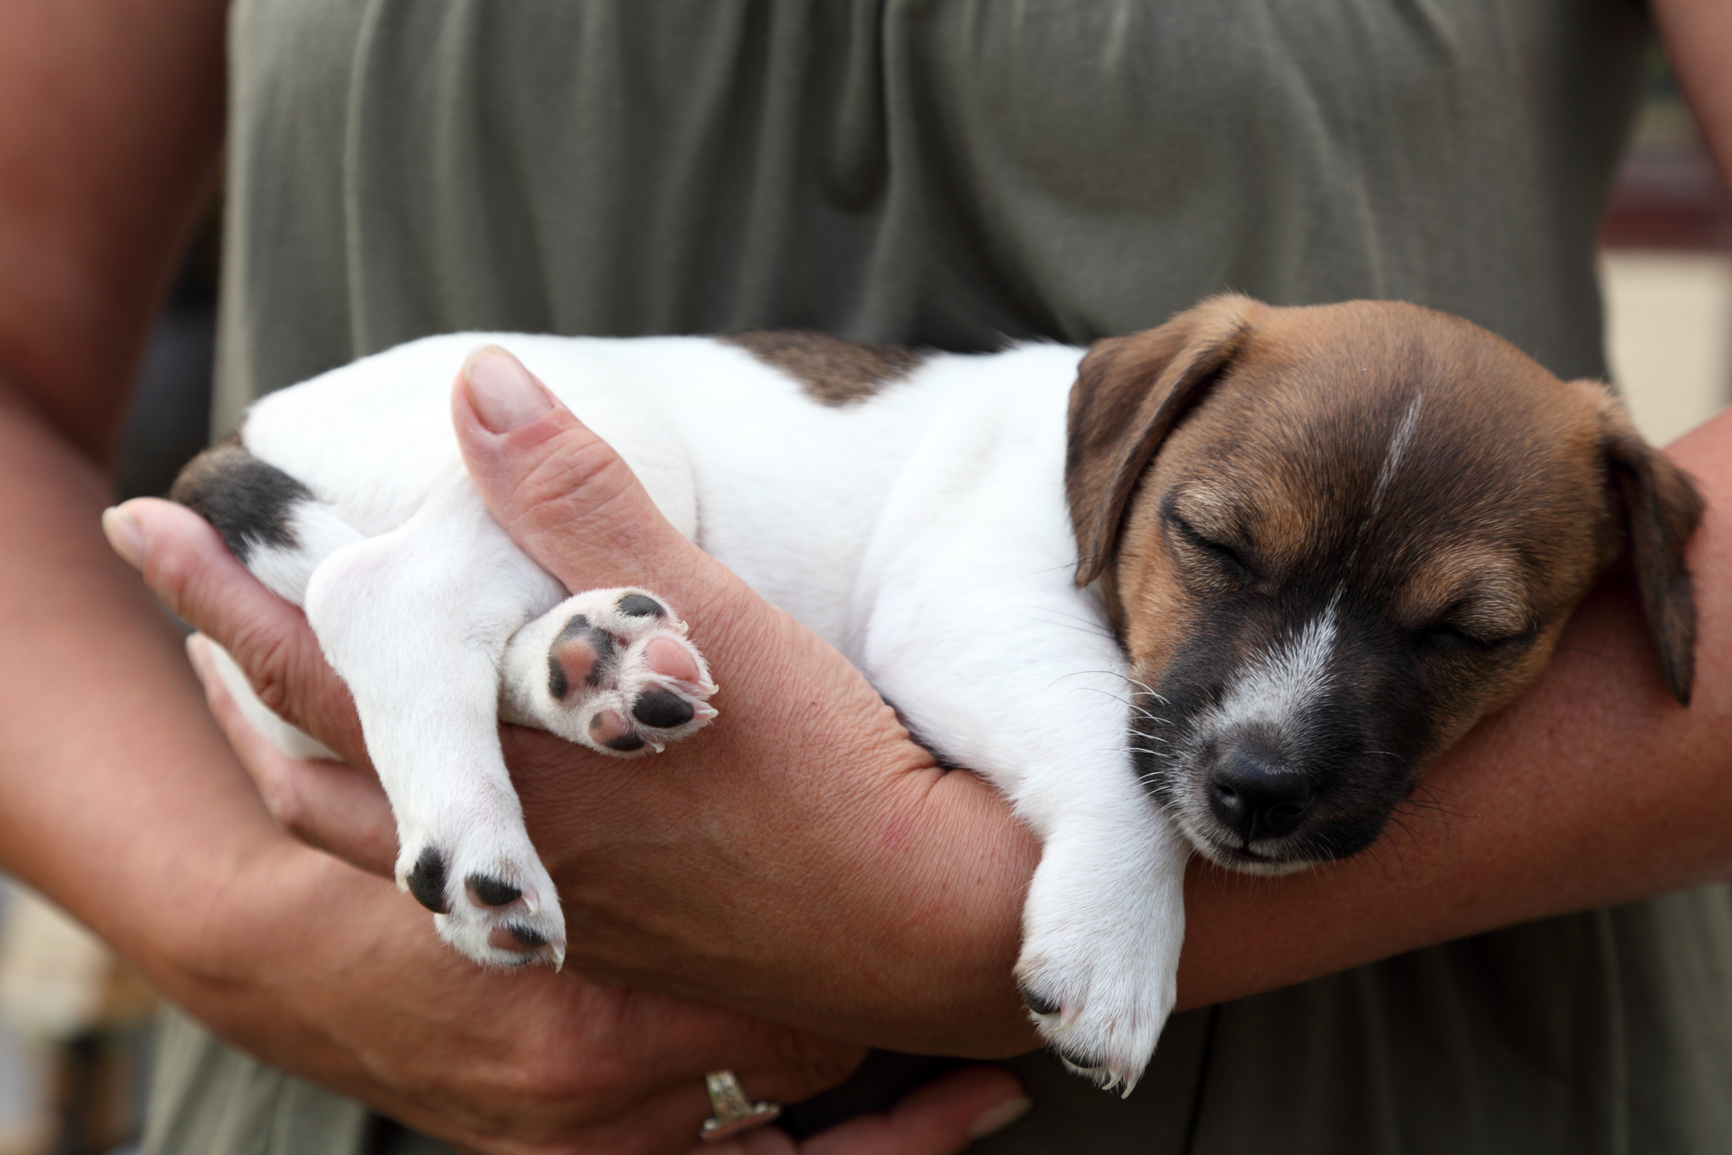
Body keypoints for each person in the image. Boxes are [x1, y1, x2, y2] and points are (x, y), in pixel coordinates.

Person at [4, 1, 1731, 1152]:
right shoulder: (1048, 453)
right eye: (1215, 550)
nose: (1275, 738)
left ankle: (510, 661)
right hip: (393, 1015)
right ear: (1122, 450)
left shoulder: (1400, 472)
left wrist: (940, 926)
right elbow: (947, 625)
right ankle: (426, 639)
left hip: (1392, 1076)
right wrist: (233, 933)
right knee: (594, 473)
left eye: (1463, 633)